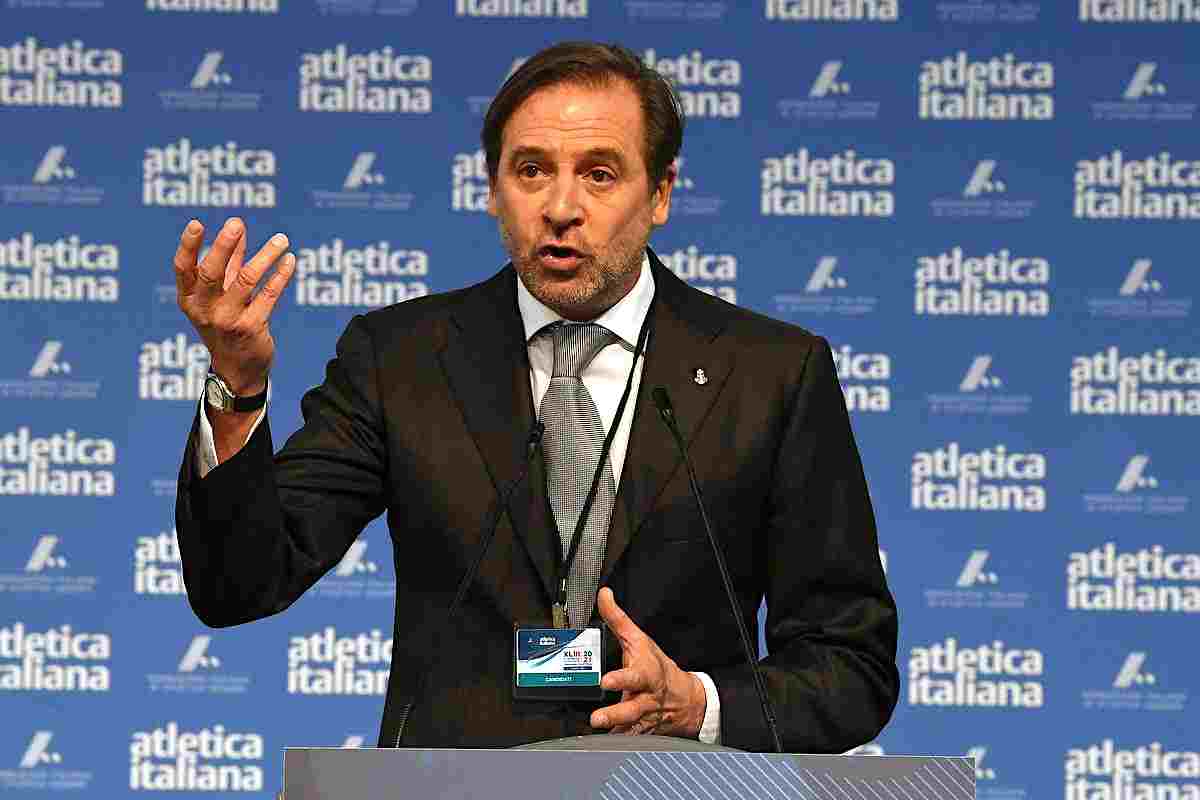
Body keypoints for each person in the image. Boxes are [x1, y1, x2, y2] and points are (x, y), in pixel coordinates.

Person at [173, 41, 898, 752]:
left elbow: (850, 668)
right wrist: (238, 386)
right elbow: (239, 586)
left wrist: (698, 704)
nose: (560, 207)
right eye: (531, 171)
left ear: (661, 194)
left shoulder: (770, 373)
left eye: (600, 174)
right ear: (493, 191)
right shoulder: (401, 359)